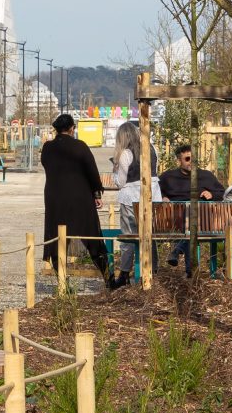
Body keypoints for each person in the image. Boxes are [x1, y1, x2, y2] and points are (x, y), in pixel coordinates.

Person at [40, 113, 111, 283]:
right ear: (72, 128)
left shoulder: (48, 148)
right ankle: (108, 278)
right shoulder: (80, 146)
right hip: (80, 197)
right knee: (92, 235)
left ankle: (62, 282)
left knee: (57, 237)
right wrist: (96, 193)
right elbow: (92, 171)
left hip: (54, 197)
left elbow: (45, 164)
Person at [107, 119, 151, 287]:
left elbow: (120, 182)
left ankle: (124, 274)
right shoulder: (151, 150)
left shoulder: (126, 153)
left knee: (128, 237)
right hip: (151, 198)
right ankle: (153, 270)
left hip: (130, 199)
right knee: (150, 236)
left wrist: (115, 169)